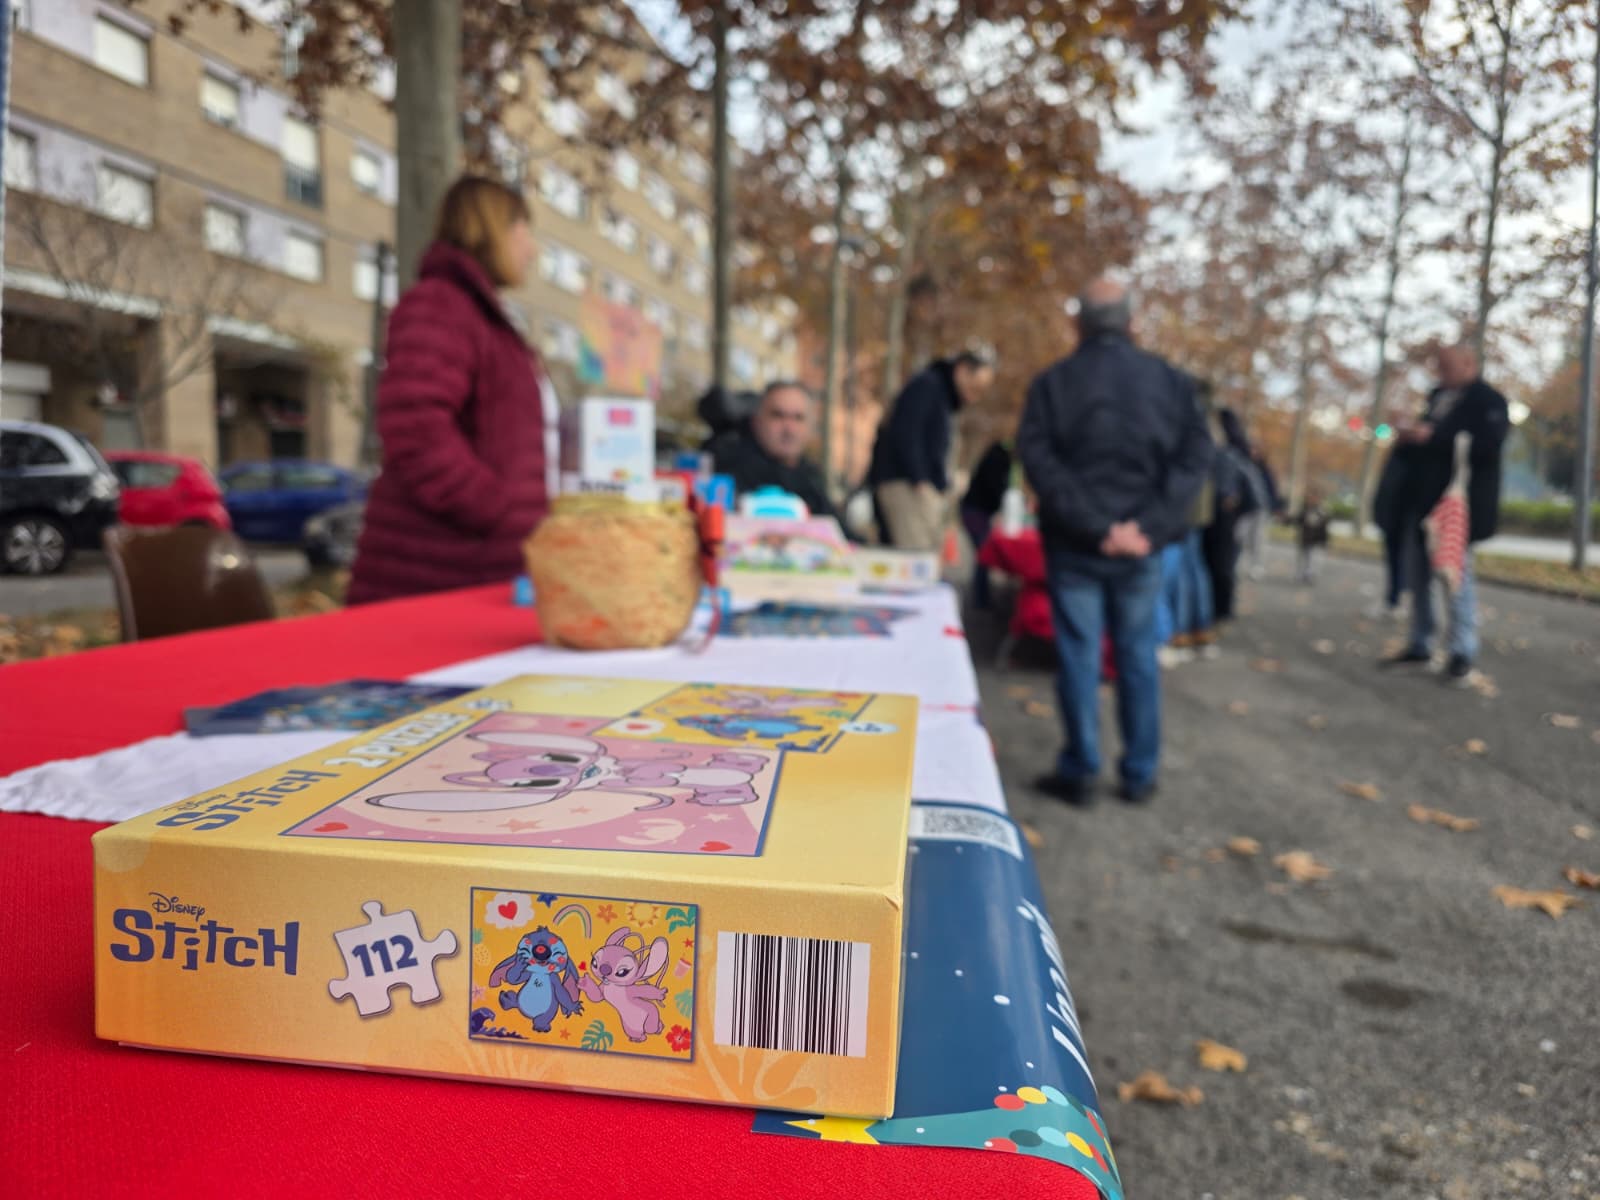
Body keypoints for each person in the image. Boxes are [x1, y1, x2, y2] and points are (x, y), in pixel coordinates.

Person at [1017, 278, 1213, 806]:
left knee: (1079, 657)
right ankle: (1138, 773)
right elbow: (1195, 458)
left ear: (1077, 323)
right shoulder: (1170, 383)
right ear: (1132, 322)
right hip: (1137, 549)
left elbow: (1039, 461)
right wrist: (1145, 527)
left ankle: (1081, 770)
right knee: (1137, 656)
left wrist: (1097, 527)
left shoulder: (1054, 384)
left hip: (1077, 545)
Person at [349, 176, 551, 605]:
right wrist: (492, 508)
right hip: (439, 572)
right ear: (494, 227)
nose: (532, 250)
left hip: (471, 567)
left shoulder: (480, 314)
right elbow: (415, 426)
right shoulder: (441, 305)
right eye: (524, 231)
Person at [1380, 343, 1510, 682]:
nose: (1440, 373)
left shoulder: (1489, 401)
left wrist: (1433, 436)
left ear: (1468, 363)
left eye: (1447, 366)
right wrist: (1408, 438)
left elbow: (1488, 447)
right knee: (1418, 577)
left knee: (1455, 576)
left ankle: (1462, 651)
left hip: (1456, 509)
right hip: (1420, 504)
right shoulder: (1437, 397)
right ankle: (1420, 642)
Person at [869, 351, 995, 550]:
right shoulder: (927, 386)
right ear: (962, 370)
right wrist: (919, 480)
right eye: (975, 387)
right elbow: (906, 432)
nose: (975, 397)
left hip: (920, 486)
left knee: (931, 552)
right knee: (917, 555)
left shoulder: (943, 396)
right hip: (906, 485)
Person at [707, 381, 839, 521]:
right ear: (756, 421)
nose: (789, 428)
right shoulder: (726, 469)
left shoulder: (812, 478)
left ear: (811, 426)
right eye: (778, 416)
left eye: (798, 418)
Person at [1203, 408, 1259, 622]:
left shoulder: (1227, 455)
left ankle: (1220, 609)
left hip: (1223, 515)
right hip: (1227, 514)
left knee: (1220, 564)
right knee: (1222, 564)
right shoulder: (1236, 453)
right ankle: (1221, 609)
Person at [959, 438, 1012, 609]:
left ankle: (982, 596)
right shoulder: (999, 459)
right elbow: (995, 487)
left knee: (983, 554)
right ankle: (981, 599)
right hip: (975, 511)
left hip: (975, 510)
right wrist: (1002, 504)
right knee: (984, 553)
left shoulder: (996, 456)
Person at [1236, 445, 1281, 579]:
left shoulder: (1265, 471)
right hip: (1245, 508)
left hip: (1261, 508)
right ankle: (1238, 563)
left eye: (1256, 450)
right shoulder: (1242, 466)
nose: (1254, 452)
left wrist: (1276, 507)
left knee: (1258, 539)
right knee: (1240, 535)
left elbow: (1272, 490)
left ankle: (1257, 566)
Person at [1292, 490, 1331, 584]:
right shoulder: (1304, 510)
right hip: (1305, 538)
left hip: (1316, 540)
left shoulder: (1322, 511)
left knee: (1313, 558)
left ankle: (1310, 574)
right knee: (1302, 557)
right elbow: (1298, 520)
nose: (1311, 500)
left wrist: (1324, 541)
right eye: (1309, 498)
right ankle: (1301, 573)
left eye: (1314, 498)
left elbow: (1324, 525)